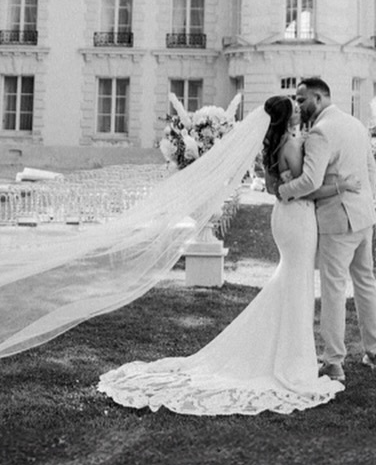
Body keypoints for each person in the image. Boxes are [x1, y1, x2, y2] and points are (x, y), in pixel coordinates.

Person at [97, 93, 356, 415]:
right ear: (286, 117)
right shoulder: (291, 146)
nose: (297, 108)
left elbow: (283, 186)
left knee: (291, 283)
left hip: (287, 218)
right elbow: (308, 186)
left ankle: (289, 353)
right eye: (293, 106)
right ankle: (293, 362)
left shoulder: (277, 146)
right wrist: (341, 187)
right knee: (297, 284)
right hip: (298, 218)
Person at [278, 75, 376, 383]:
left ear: (319, 98)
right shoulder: (355, 124)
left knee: (334, 290)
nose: (297, 105)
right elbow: (371, 170)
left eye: (301, 99)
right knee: (365, 285)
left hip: (337, 220)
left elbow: (310, 181)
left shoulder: (320, 132)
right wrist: (363, 200)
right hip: (364, 217)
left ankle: (333, 361)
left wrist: (285, 192)